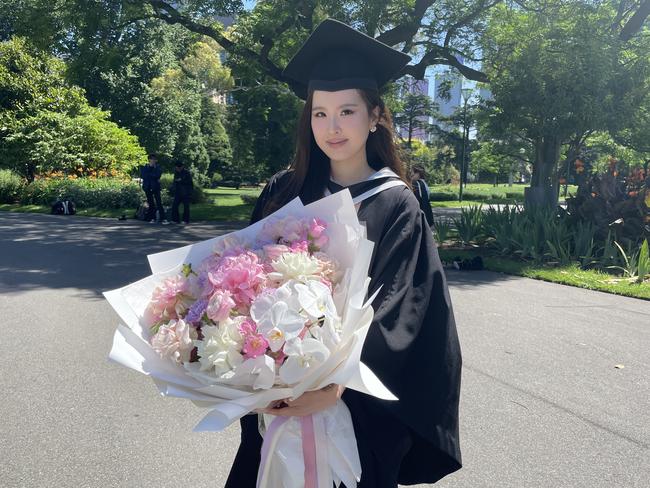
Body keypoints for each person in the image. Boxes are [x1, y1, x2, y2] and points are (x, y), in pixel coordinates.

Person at [226, 18, 462, 488]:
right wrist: (253, 365)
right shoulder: (284, 191)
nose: (332, 127)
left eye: (347, 111)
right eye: (320, 113)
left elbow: (402, 310)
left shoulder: (397, 202)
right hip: (274, 397)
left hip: (352, 411)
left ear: (375, 115)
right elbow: (242, 284)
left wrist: (333, 385)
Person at [140, 154, 168, 224]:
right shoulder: (145, 167)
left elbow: (158, 175)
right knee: (151, 203)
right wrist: (152, 174)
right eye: (153, 159)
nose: (154, 161)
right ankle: (152, 218)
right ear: (149, 160)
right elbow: (144, 175)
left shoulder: (158, 167)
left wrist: (152, 174)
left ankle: (163, 219)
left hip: (155, 187)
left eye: (155, 159)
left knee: (159, 203)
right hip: (148, 187)